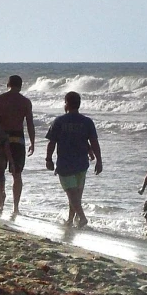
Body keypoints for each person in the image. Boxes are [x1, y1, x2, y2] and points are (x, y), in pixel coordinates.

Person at [45, 91, 102, 228]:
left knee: (72, 194)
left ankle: (82, 218)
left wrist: (48, 159)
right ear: (79, 104)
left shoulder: (59, 121)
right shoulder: (87, 122)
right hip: (82, 164)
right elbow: (93, 142)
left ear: (66, 104)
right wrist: (99, 160)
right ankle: (70, 220)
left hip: (65, 164)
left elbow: (52, 142)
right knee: (75, 195)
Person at [0, 75, 35, 216]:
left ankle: (0, 201)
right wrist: (32, 142)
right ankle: (15, 207)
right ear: (21, 86)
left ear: (7, 84)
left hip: (1, 136)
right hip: (17, 138)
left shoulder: (0, 98)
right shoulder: (25, 102)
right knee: (17, 173)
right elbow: (29, 123)